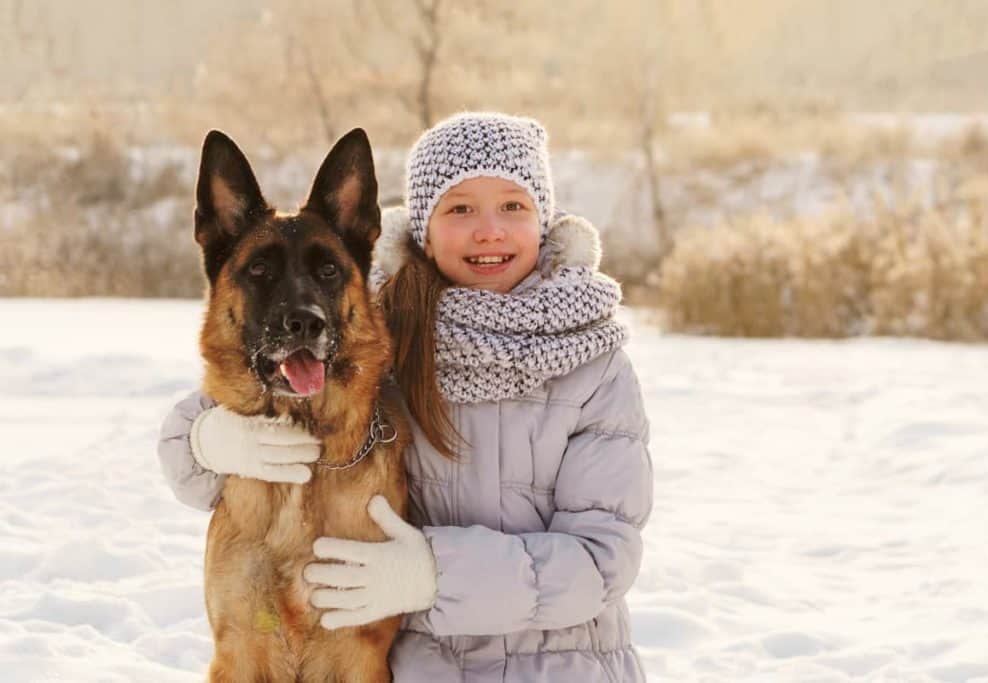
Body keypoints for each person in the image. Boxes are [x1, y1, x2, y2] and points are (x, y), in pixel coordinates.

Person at [159, 112, 653, 681]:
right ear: (422, 226)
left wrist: (435, 575)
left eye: (513, 206)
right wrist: (202, 438)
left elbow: (602, 560)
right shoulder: (387, 337)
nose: (489, 230)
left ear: (543, 218)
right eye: (460, 208)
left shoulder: (594, 364)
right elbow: (205, 442)